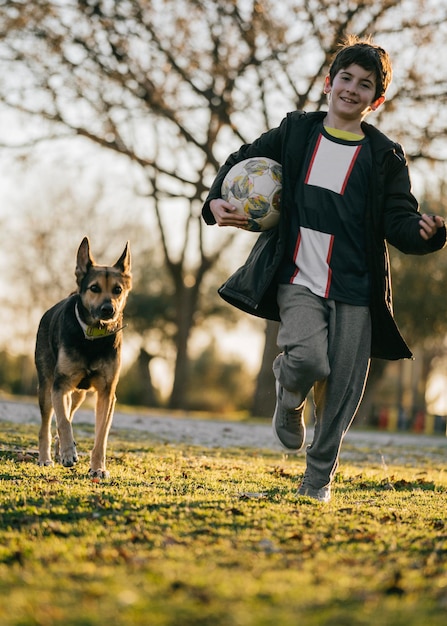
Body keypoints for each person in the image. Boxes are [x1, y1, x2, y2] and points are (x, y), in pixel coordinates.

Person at [201, 35, 446, 503]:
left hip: (355, 284)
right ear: (329, 82)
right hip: (297, 274)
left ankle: (317, 481)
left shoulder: (385, 156)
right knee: (309, 359)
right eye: (346, 78)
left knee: (343, 391)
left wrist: (425, 233)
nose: (352, 89)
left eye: (365, 84)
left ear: (377, 99)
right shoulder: (296, 132)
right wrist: (215, 202)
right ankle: (287, 394)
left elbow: (398, 218)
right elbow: (238, 161)